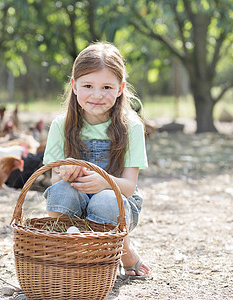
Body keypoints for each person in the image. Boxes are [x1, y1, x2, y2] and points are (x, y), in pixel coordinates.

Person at [42, 42, 150, 279]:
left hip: (118, 203)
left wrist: (103, 182)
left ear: (121, 88)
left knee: (105, 201)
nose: (97, 94)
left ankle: (120, 250)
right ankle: (66, 254)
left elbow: (129, 188)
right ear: (74, 85)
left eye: (107, 87)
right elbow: (53, 180)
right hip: (75, 197)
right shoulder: (62, 125)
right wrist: (67, 169)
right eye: (88, 85)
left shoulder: (130, 127)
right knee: (60, 192)